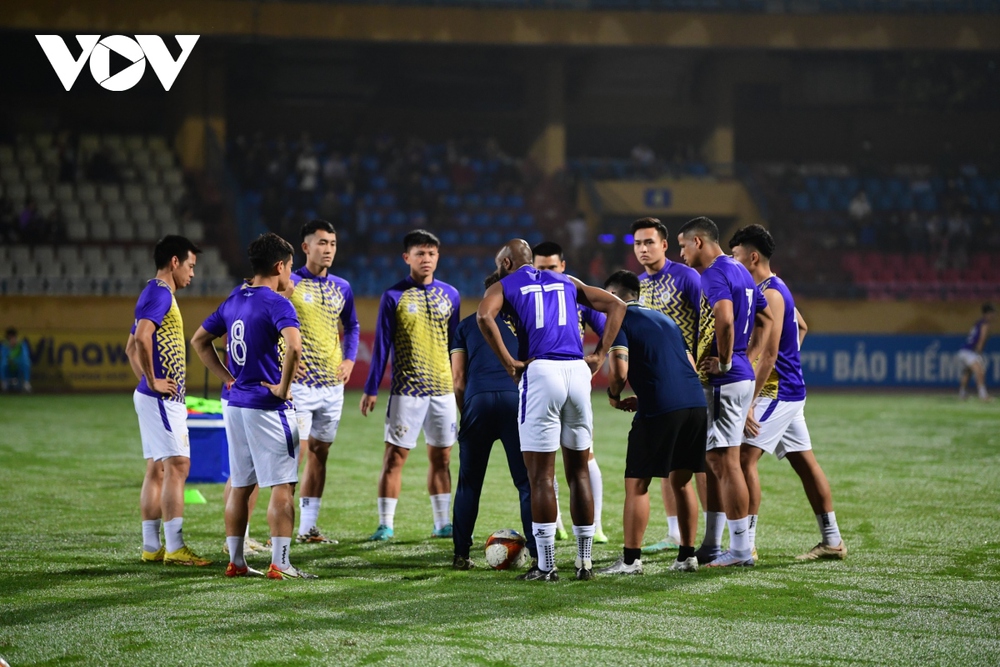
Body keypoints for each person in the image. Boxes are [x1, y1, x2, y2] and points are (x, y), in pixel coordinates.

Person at [477, 239, 626, 581]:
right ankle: (585, 563)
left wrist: (510, 364)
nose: (498, 268)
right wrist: (600, 355)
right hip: (577, 372)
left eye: (501, 262)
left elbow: (484, 316)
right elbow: (618, 306)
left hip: (541, 372)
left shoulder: (507, 282)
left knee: (541, 476)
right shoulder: (568, 281)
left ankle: (546, 566)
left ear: (508, 261)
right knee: (579, 472)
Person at [191, 232, 316, 580]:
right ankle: (281, 563)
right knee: (282, 485)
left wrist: (227, 377)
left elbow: (199, 341)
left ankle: (237, 561)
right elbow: (294, 348)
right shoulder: (278, 304)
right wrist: (283, 388)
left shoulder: (234, 298)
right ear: (280, 266)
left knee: (242, 483)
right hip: (266, 405)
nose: (291, 275)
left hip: (234, 403)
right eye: (290, 267)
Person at [729, 224, 847, 561]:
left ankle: (745, 545)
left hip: (776, 393)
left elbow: (767, 355)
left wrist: (750, 402)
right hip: (789, 390)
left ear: (753, 257)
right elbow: (803, 326)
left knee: (742, 458)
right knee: (805, 464)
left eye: (736, 256)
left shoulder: (772, 293)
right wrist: (789, 361)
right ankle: (833, 541)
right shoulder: (775, 288)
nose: (734, 263)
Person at [676, 217, 774, 568]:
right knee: (720, 460)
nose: (681, 253)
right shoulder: (741, 271)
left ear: (699, 242)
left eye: (683, 245)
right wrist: (747, 358)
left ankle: (739, 550)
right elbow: (765, 321)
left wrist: (727, 360)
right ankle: (736, 547)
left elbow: (725, 318)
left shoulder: (715, 273)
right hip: (739, 378)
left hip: (724, 381)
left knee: (724, 461)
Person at [598, 271, 707, 575]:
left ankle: (631, 561)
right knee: (683, 481)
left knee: (637, 483)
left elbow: (619, 370)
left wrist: (614, 395)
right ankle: (687, 556)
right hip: (695, 404)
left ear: (614, 298)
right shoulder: (667, 320)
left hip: (662, 409)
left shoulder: (618, 320)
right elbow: (690, 365)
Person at [361, 230, 460, 541]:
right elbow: (381, 346)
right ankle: (385, 524)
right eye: (420, 253)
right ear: (407, 258)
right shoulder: (394, 296)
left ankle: (442, 523)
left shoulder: (452, 296)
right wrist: (371, 387)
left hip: (443, 390)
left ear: (438, 257)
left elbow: (456, 345)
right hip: (408, 392)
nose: (426, 259)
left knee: (442, 458)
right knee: (394, 457)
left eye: (431, 254)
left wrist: (461, 387)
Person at [124, 235, 210, 566]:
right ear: (174, 262)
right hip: (162, 399)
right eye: (190, 265)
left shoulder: (153, 293)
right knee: (178, 466)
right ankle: (174, 548)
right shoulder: (160, 294)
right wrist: (153, 381)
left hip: (154, 397)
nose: (192, 273)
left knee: (157, 469)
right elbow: (142, 339)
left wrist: (146, 381)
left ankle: (151, 546)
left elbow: (130, 347)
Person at [449, 273, 536, 570]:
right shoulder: (524, 324)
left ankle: (461, 555)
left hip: (477, 402)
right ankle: (538, 554)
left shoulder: (464, 326)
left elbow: (458, 380)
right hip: (515, 402)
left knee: (469, 484)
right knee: (526, 483)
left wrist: (467, 412)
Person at [630, 217, 704, 554]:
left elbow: (710, 320)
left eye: (649, 242)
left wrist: (705, 364)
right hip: (659, 388)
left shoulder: (686, 277)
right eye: (638, 244)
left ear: (664, 245)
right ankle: (676, 533)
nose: (643, 249)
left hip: (693, 382)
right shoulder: (638, 286)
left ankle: (714, 534)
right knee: (665, 465)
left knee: (701, 464)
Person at [287, 219, 360, 544]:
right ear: (305, 247)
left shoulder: (342, 287)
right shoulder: (288, 282)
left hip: (331, 387)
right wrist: (282, 366)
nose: (328, 249)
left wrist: (348, 359)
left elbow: (353, 326)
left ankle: (308, 528)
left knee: (320, 453)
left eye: (332, 243)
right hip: (299, 388)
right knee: (295, 454)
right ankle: (281, 530)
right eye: (321, 243)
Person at [532, 241, 608, 544]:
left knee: (584, 455)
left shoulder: (575, 293)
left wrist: (601, 356)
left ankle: (596, 524)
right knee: (545, 457)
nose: (548, 273)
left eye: (552, 268)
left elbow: (608, 325)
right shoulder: (527, 297)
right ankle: (558, 522)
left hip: (572, 380)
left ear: (563, 267)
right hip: (542, 383)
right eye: (541, 269)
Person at [958, 303, 994, 401]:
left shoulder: (978, 323)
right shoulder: (985, 324)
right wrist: (979, 352)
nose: (993, 315)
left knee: (967, 372)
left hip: (963, 350)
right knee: (980, 371)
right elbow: (981, 339)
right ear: (987, 313)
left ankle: (962, 394)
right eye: (991, 313)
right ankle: (983, 395)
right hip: (970, 351)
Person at [1, 328, 31, 393]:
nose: (11, 339)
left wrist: (15, 361)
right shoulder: (5, 345)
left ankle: (26, 383)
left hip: (18, 366)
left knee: (26, 363)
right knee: (3, 363)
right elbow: (3, 356)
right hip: (8, 367)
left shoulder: (21, 345)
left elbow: (25, 356)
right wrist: (9, 359)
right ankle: (4, 382)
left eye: (13, 337)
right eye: (9, 337)